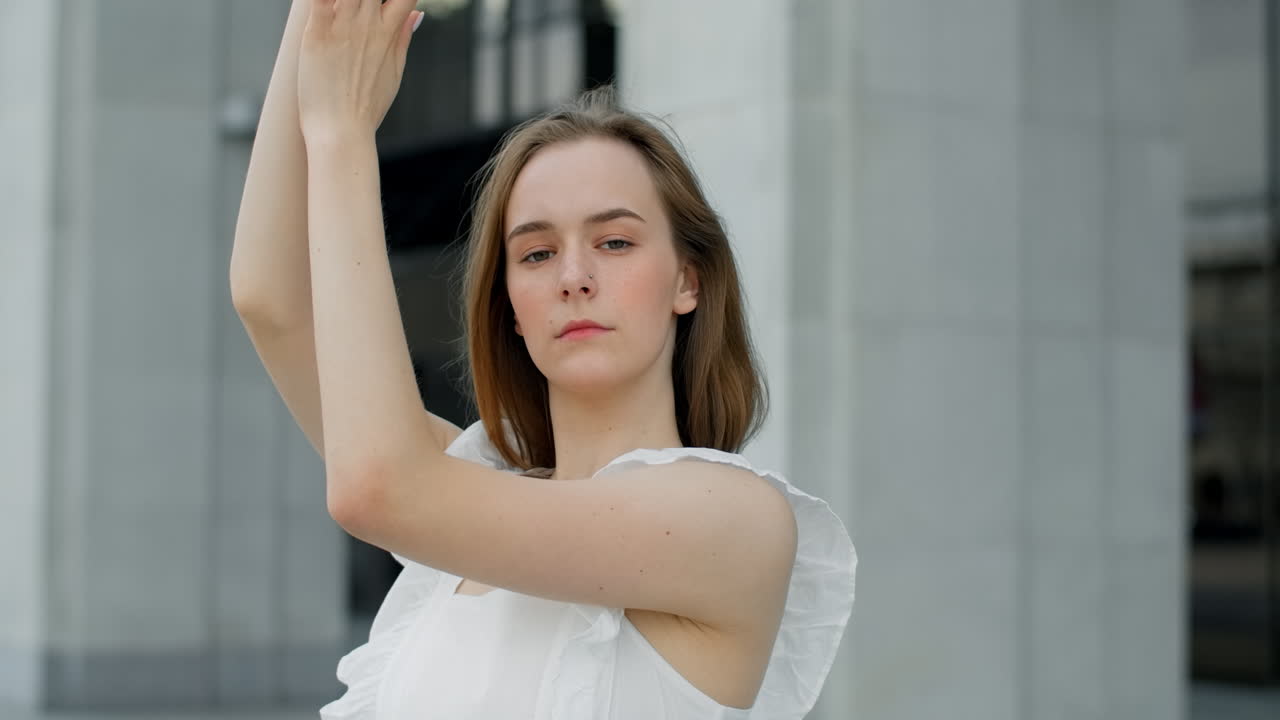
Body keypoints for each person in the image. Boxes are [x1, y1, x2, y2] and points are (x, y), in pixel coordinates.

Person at [229, 1, 856, 718]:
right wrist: (318, 24)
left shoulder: (735, 518)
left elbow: (377, 487)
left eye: (615, 242)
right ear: (512, 309)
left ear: (689, 280)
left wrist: (342, 132)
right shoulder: (465, 487)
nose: (573, 276)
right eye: (536, 252)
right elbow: (270, 301)